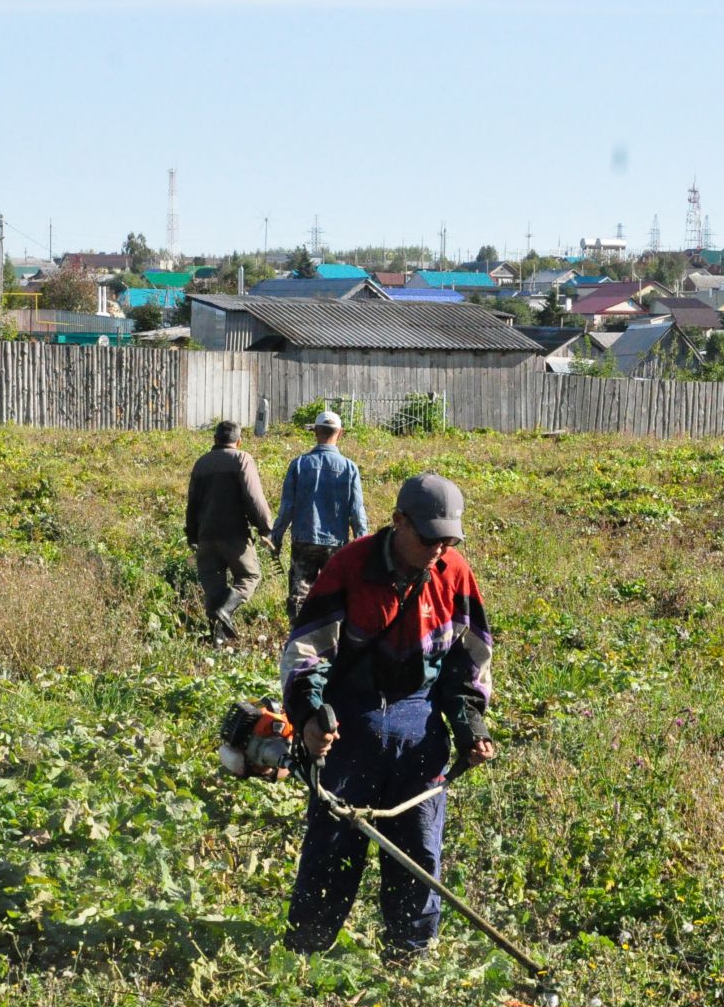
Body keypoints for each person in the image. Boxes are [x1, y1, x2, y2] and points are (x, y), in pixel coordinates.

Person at [279, 472, 497, 962]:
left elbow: (470, 661)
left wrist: (469, 726)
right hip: (350, 725)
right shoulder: (349, 567)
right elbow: (307, 652)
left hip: (418, 726)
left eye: (448, 541)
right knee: (333, 846)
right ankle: (306, 954)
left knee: (419, 850)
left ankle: (409, 957)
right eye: (429, 539)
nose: (439, 550)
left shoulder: (455, 574)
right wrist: (313, 715)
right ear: (398, 522)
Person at [268, 408, 368, 622]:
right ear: (340, 433)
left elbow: (287, 507)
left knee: (300, 595)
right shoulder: (350, 468)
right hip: (336, 543)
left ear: (315, 432)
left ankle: (298, 637)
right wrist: (362, 542)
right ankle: (332, 636)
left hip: (304, 539)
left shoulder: (299, 464)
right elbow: (357, 511)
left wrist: (275, 537)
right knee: (335, 593)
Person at [186, 420, 273, 643]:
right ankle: (225, 611)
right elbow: (254, 497)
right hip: (234, 535)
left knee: (213, 588)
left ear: (215, 439)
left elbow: (192, 503)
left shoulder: (201, 464)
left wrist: (192, 535)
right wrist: (265, 528)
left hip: (206, 535)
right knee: (249, 575)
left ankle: (217, 640)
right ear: (239, 441)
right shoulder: (242, 459)